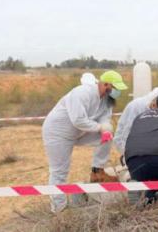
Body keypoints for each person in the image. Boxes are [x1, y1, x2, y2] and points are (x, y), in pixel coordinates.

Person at [42, 70, 127, 213]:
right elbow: (78, 120)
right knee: (59, 172)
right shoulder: (82, 93)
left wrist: (105, 128)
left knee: (107, 136)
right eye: (116, 88)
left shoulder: (106, 100)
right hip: (57, 134)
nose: (117, 92)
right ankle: (59, 209)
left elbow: (105, 118)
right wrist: (100, 127)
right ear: (106, 84)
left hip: (79, 132)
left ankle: (97, 172)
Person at [114, 87, 158, 155]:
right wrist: (126, 151)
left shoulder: (152, 108)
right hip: (123, 139)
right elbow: (128, 129)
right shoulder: (137, 106)